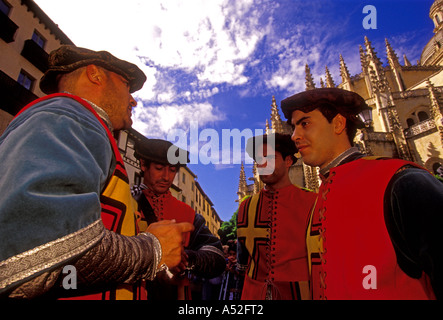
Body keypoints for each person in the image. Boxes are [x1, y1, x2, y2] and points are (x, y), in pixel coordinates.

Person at [0, 45, 193, 299]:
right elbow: (32, 254)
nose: (133, 99)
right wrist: (151, 251)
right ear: (95, 75)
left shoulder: (73, 122)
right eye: (126, 84)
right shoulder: (72, 117)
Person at [281, 87, 443, 300]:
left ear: (338, 124)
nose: (294, 136)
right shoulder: (318, 203)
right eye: (293, 127)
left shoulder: (401, 181)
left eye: (305, 123)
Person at [131, 138, 225, 300]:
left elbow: (217, 257)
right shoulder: (127, 200)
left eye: (172, 170)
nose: (166, 177)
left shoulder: (187, 213)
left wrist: (187, 259)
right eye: (159, 168)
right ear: (143, 165)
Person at [236, 133, 317, 300]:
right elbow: (243, 260)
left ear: (288, 161)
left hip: (300, 294)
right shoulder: (246, 206)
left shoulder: (313, 203)